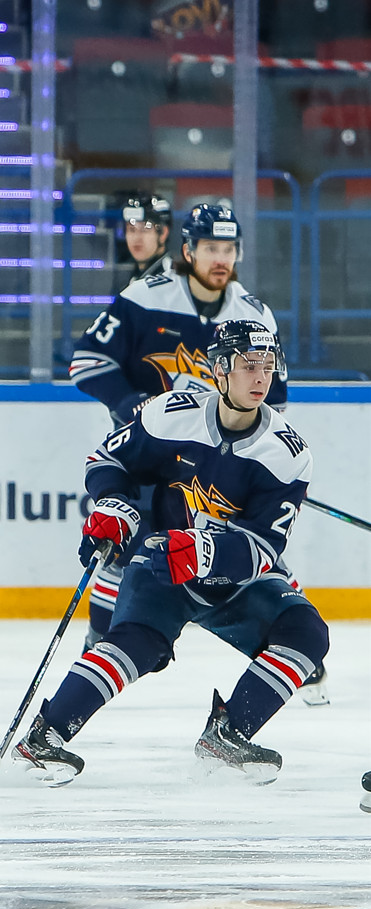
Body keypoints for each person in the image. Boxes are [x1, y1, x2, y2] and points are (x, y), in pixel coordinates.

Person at [15, 319, 328, 787]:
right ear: (219, 369)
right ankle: (46, 736)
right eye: (248, 366)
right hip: (161, 563)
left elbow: (264, 546)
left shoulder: (286, 452)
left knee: (307, 634)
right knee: (138, 644)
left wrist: (207, 552)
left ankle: (229, 734)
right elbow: (108, 460)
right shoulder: (170, 414)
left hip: (233, 580)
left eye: (268, 366)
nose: (261, 378)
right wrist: (112, 502)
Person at [64, 203, 325, 703]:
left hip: (222, 456)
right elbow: (87, 360)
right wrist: (130, 405)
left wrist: (260, 459)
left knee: (250, 553)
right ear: (188, 251)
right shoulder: (147, 295)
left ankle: (289, 649)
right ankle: (104, 644)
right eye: (210, 248)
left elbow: (277, 401)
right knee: (124, 552)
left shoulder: (255, 314)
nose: (220, 258)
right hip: (156, 452)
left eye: (228, 249)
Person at [115, 191, 174, 286]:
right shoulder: (129, 276)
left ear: (163, 233)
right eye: (132, 229)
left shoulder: (172, 276)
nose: (137, 238)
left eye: (145, 229)